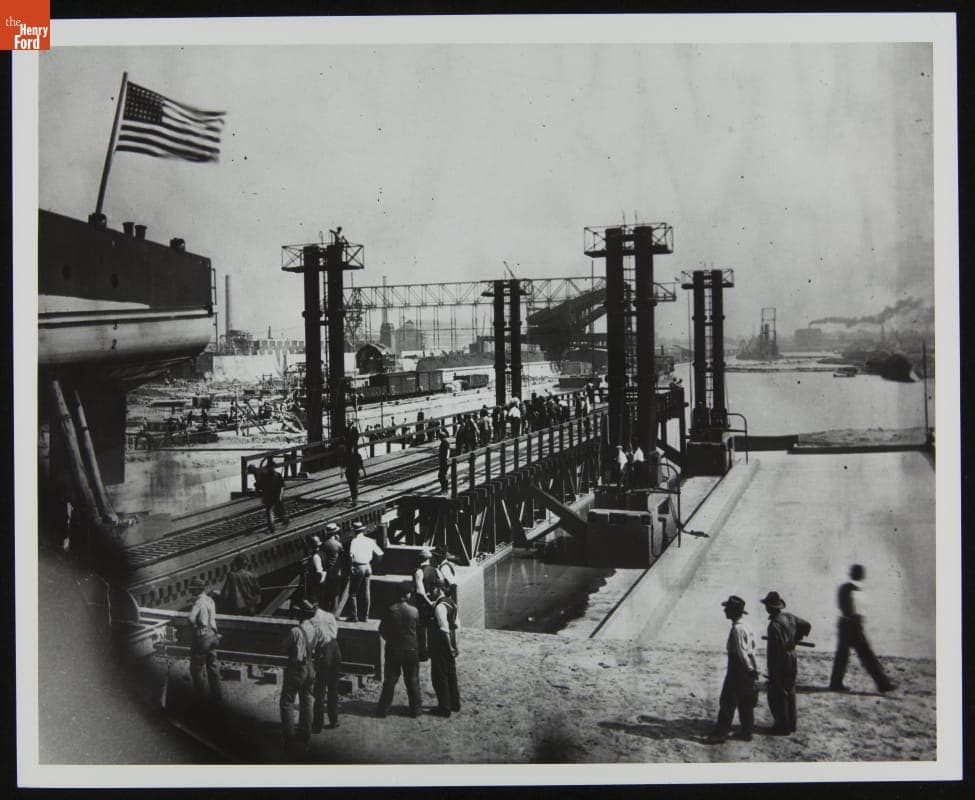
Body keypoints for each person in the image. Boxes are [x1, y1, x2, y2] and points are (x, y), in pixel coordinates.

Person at [829, 564, 896, 693]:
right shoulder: (852, 589)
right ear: (861, 575)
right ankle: (883, 684)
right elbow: (850, 609)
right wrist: (856, 622)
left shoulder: (850, 588)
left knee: (843, 655)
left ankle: (835, 684)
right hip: (851, 625)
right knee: (866, 655)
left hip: (847, 624)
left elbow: (848, 608)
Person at [707, 595, 759, 743]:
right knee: (746, 703)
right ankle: (747, 732)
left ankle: (720, 734)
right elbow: (752, 649)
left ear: (733, 612)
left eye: (727, 609)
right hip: (748, 668)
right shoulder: (747, 626)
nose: (724, 611)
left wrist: (748, 668)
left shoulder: (737, 629)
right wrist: (753, 669)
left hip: (738, 669)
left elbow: (742, 653)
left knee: (727, 701)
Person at [761, 590, 811, 735]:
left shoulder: (774, 626)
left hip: (780, 660)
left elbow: (776, 651)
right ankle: (791, 724)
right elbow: (807, 625)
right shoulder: (790, 618)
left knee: (778, 692)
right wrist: (796, 639)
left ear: (769, 607)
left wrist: (773, 671)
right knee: (790, 690)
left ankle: (782, 726)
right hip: (792, 658)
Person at [280, 599, 324, 752]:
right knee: (307, 701)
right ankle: (305, 736)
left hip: (297, 668)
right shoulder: (316, 629)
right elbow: (321, 645)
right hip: (311, 667)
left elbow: (284, 647)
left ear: (300, 615)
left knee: (287, 701)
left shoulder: (295, 631)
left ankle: (289, 739)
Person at [376, 582, 422, 718]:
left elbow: (382, 629)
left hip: (394, 649)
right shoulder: (414, 611)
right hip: (411, 649)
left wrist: (391, 640)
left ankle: (383, 709)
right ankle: (415, 709)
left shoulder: (390, 610)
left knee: (390, 680)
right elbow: (419, 631)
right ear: (407, 595)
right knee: (412, 680)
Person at [187, 577, 223, 707]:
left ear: (196, 590)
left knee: (196, 669)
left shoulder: (198, 603)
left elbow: (191, 619)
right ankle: (217, 695)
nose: (191, 592)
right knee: (212, 666)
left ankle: (200, 698)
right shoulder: (210, 600)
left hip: (202, 637)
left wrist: (196, 626)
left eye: (192, 590)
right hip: (213, 635)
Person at [427, 583, 461, 717]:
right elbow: (456, 626)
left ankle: (444, 707)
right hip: (450, 643)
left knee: (439, 675)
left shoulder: (439, 607)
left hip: (440, 645)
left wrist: (449, 646)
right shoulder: (452, 603)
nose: (430, 593)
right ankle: (455, 703)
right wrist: (455, 646)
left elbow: (444, 629)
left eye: (432, 590)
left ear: (438, 589)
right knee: (451, 673)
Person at [309, 599, 342, 732]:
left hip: (324, 652)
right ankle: (334, 720)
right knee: (333, 688)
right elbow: (335, 632)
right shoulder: (330, 616)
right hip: (335, 649)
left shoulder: (312, 622)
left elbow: (313, 642)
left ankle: (317, 725)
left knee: (320, 689)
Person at [347, 521, 383, 621]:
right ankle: (365, 616)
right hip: (367, 566)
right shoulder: (369, 540)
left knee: (353, 593)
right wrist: (373, 565)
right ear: (362, 530)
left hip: (358, 567)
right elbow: (380, 554)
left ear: (354, 531)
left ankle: (354, 616)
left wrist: (350, 567)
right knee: (366, 592)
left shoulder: (354, 541)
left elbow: (351, 556)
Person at [250, 459, 289, 533]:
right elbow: (260, 484)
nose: (271, 469)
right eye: (270, 467)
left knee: (278, 511)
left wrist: (279, 496)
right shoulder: (265, 475)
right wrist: (258, 490)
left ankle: (285, 520)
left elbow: (281, 486)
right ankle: (271, 527)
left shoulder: (277, 475)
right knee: (269, 511)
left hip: (275, 495)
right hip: (268, 495)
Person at [320, 523, 346, 615]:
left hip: (327, 570)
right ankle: (334, 613)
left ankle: (325, 611)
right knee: (335, 592)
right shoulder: (338, 544)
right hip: (336, 570)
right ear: (335, 533)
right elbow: (342, 554)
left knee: (327, 591)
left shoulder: (324, 544)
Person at [305, 534, 326, 603]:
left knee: (315, 600)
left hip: (318, 581)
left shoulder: (315, 556)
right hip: (323, 579)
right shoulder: (322, 553)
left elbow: (319, 570)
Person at [437, 428, 451, 494]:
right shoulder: (444, 442)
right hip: (443, 461)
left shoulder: (445, 443)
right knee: (442, 475)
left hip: (445, 462)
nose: (440, 438)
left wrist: (447, 458)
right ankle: (444, 489)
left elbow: (448, 451)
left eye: (440, 437)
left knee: (442, 475)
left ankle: (444, 489)